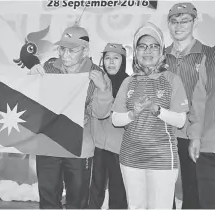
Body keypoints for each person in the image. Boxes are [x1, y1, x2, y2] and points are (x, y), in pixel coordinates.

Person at [29, 25, 113, 209]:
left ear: (85, 51)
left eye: (72, 50)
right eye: (62, 48)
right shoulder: (49, 67)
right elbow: (33, 103)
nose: (65, 54)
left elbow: (101, 113)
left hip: (79, 146)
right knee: (48, 199)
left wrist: (103, 89)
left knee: (78, 200)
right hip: (48, 143)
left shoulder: (97, 74)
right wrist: (31, 79)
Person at [112, 22, 189, 209]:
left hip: (162, 159)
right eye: (142, 46)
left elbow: (180, 121)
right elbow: (115, 119)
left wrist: (157, 110)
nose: (148, 51)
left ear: (162, 52)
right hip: (130, 158)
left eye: (154, 46)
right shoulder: (128, 82)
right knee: (135, 206)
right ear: (136, 52)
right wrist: (133, 113)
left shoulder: (172, 80)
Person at [165, 3, 213, 208]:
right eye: (174, 21)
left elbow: (204, 100)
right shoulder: (160, 55)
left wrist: (196, 135)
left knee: (193, 191)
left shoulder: (208, 55)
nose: (179, 26)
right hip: (163, 133)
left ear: (195, 22)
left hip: (192, 134)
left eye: (185, 21)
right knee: (164, 189)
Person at [88, 43, 128, 209]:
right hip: (96, 145)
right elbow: (95, 111)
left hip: (120, 149)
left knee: (118, 193)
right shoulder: (95, 82)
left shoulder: (130, 83)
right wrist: (102, 88)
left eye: (116, 58)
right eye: (107, 58)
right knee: (94, 192)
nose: (111, 62)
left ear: (123, 61)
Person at [187, 46, 215, 209]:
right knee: (208, 203)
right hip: (208, 146)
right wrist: (195, 136)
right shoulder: (210, 58)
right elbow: (199, 100)